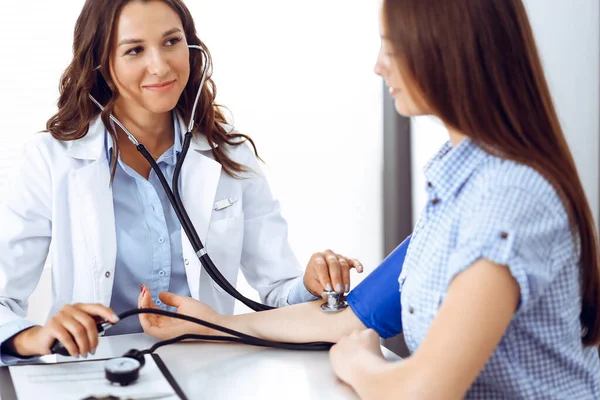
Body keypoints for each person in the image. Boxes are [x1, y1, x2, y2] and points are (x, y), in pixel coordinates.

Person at [138, 0, 600, 398]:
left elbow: (422, 391)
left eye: (393, 47)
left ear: (448, 52)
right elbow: (346, 318)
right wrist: (206, 325)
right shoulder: (459, 184)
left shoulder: (507, 200)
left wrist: (357, 361)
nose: (379, 65)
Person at [0, 0, 364, 365]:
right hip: (92, 372)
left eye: (171, 41)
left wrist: (311, 284)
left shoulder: (229, 156)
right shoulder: (52, 161)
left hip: (208, 368)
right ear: (101, 66)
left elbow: (275, 290)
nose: (160, 66)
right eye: (134, 50)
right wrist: (31, 336)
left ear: (191, 48)